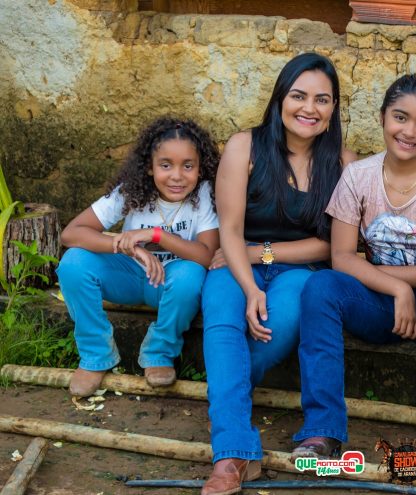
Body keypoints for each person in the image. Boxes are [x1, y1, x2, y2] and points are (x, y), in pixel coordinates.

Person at [291, 74, 416, 491]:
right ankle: (321, 430)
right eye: (400, 117)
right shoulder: (358, 176)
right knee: (320, 287)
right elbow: (341, 256)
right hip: (379, 305)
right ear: (382, 118)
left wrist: (406, 290)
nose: (409, 131)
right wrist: (396, 289)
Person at [200, 52, 356, 495]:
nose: (309, 108)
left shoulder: (343, 162)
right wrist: (247, 283)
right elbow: (228, 228)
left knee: (275, 329)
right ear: (280, 99)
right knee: (224, 322)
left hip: (299, 271)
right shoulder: (244, 147)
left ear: (333, 109)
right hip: (234, 264)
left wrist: (259, 254)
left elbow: (332, 244)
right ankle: (233, 456)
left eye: (322, 100)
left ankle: (224, 397)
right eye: (299, 96)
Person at [57, 117, 220, 397]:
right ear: (149, 167)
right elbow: (71, 233)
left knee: (191, 275)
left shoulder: (205, 195)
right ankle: (96, 355)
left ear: (200, 167)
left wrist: (157, 236)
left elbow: (206, 256)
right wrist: (128, 247)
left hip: (171, 283)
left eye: (188, 166)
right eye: (165, 165)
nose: (177, 176)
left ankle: (159, 352)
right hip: (130, 276)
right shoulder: (131, 191)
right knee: (72, 263)